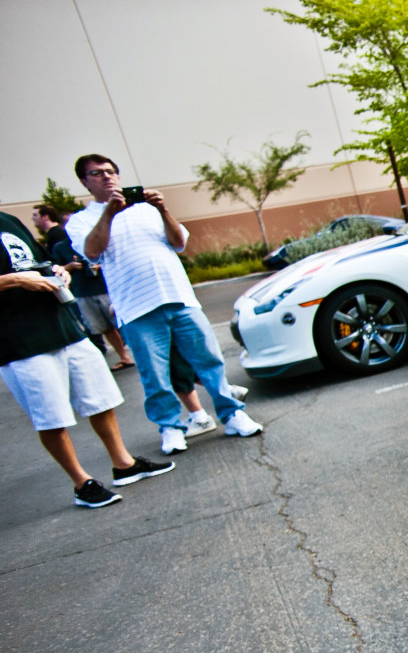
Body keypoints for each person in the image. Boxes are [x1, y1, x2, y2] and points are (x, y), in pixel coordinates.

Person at [65, 154, 262, 456]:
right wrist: (110, 213)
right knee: (154, 374)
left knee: (209, 361)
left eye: (110, 171)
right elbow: (92, 251)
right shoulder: (82, 221)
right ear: (84, 181)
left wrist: (163, 209)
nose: (106, 177)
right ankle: (171, 427)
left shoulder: (146, 209)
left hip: (179, 297)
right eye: (97, 173)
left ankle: (232, 414)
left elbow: (178, 241)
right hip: (135, 308)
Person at [1, 209, 173, 508]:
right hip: (19, 342)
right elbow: (19, 273)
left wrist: (58, 270)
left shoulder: (7, 220)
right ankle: (82, 483)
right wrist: (16, 280)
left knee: (100, 398)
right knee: (51, 417)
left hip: (63, 326)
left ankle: (124, 464)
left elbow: (39, 260)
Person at [34, 205, 137, 370]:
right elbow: (56, 270)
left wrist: (99, 266)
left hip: (104, 288)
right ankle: (124, 357)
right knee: (103, 327)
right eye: (68, 223)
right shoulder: (60, 247)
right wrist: (70, 266)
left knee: (124, 322)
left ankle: (138, 352)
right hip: (82, 291)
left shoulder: (94, 239)